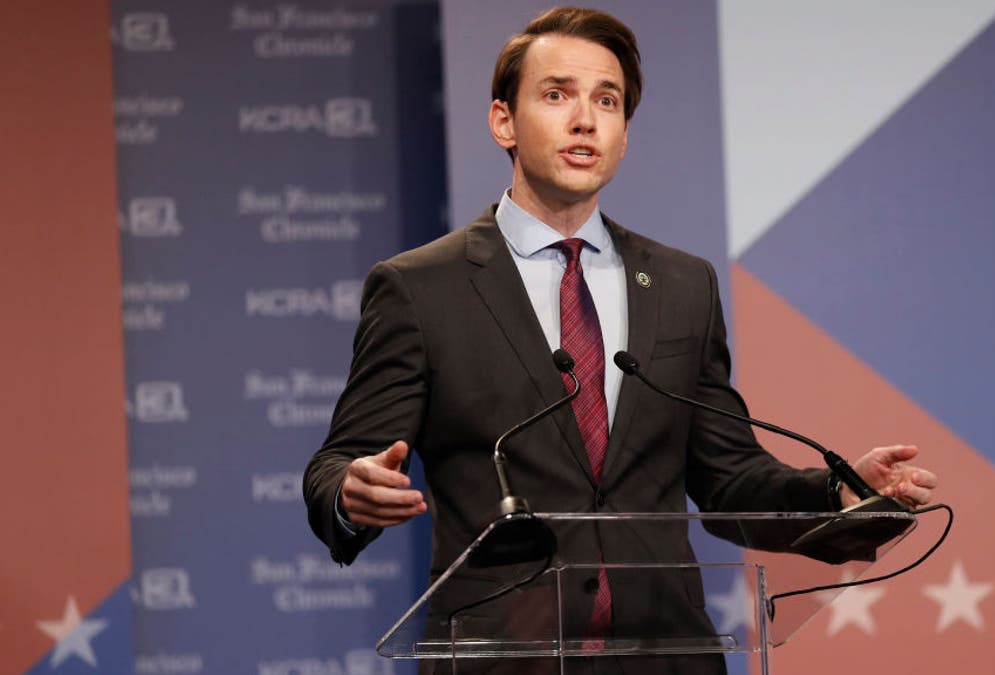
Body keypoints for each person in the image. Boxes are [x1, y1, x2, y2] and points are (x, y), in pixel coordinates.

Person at [304, 6, 937, 673]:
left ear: (624, 134)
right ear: (503, 122)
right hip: (506, 659)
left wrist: (836, 494)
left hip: (665, 653)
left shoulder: (682, 285)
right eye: (557, 95)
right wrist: (349, 491)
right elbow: (337, 463)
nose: (586, 120)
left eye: (607, 101)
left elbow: (728, 477)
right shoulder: (423, 287)